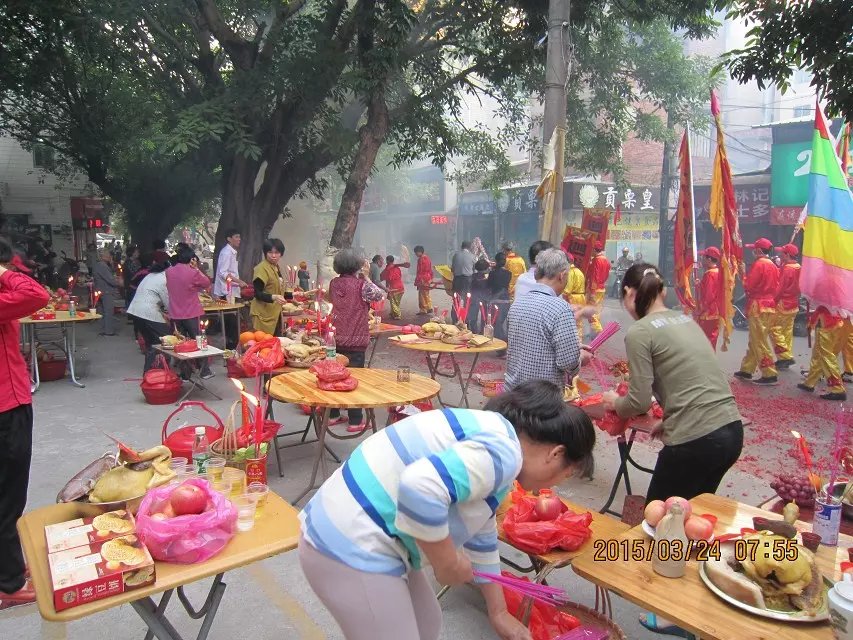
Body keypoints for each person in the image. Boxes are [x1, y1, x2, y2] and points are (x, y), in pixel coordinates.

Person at [299, 381, 596, 640]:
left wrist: (499, 611)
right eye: (566, 474)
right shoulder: (505, 455)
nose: (555, 485)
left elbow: (481, 535)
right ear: (556, 453)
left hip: (358, 530)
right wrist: (447, 563)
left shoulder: (499, 439)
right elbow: (419, 487)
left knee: (427, 622)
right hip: (348, 541)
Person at [600, 263, 743, 637]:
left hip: (697, 440)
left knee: (660, 521)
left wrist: (611, 402)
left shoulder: (640, 331)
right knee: (690, 525)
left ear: (629, 294)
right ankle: (694, 605)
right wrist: (672, 417)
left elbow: (637, 400)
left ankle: (671, 613)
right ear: (662, 291)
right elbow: (695, 381)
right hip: (729, 431)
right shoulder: (685, 320)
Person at [0, 237, 50, 611]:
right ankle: (8, 583)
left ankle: (9, 566)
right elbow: (36, 295)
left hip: (10, 402)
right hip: (6, 407)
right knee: (8, 496)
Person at [505, 248, 589, 391]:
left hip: (513, 391)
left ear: (537, 274)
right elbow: (568, 363)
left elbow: (530, 342)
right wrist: (581, 357)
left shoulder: (517, 304)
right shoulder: (561, 308)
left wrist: (571, 347)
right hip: (542, 396)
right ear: (562, 275)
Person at [327, 249, 385, 432]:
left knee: (334, 377)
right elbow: (379, 295)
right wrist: (366, 277)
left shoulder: (334, 283)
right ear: (357, 266)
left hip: (336, 339)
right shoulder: (362, 286)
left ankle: (333, 415)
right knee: (353, 379)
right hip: (356, 339)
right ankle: (355, 421)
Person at [734, 237, 779, 384]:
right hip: (769, 306)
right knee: (756, 339)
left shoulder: (759, 264)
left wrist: (742, 274)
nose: (753, 252)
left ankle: (769, 373)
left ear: (759, 250)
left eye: (754, 249)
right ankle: (747, 369)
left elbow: (749, 286)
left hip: (758, 306)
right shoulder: (773, 265)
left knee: (758, 340)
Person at [166, 247, 214, 379]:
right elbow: (206, 283)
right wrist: (196, 268)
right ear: (191, 259)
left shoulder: (169, 271)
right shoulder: (193, 272)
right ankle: (204, 370)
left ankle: (185, 373)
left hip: (175, 313)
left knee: (180, 344)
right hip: (192, 313)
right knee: (199, 342)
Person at [126, 256, 171, 372]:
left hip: (136, 312)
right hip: (148, 313)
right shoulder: (163, 279)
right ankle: (163, 372)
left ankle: (149, 372)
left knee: (151, 343)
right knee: (166, 340)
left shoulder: (150, 276)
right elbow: (167, 302)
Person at [798, 309, 851, 401]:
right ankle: (810, 382)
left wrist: (811, 323)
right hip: (835, 324)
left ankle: (837, 389)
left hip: (827, 327)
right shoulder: (837, 303)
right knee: (819, 355)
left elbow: (821, 309)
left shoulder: (826, 302)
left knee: (826, 357)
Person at [769, 244, 801, 369]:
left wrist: (773, 302)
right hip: (794, 303)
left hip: (783, 304)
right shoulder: (798, 267)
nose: (780, 254)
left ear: (787, 255)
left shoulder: (787, 269)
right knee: (786, 332)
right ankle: (784, 359)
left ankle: (786, 356)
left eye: (782, 253)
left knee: (773, 329)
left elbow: (780, 288)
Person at [250, 239, 289, 335]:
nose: (273, 255)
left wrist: (297, 294)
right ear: (265, 253)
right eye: (270, 252)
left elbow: (278, 291)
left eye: (277, 252)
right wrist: (274, 297)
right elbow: (257, 293)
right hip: (263, 315)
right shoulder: (261, 268)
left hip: (275, 313)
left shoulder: (276, 267)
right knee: (264, 342)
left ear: (281, 254)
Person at [694, 247, 723, 351]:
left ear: (709, 259)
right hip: (716, 310)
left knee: (706, 338)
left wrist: (701, 309)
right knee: (712, 337)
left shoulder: (710, 274)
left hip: (708, 311)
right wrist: (700, 285)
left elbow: (709, 295)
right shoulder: (718, 272)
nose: (702, 259)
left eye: (704, 257)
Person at [93, 249, 122, 336]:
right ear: (103, 256)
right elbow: (110, 280)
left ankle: (104, 329)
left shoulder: (99, 265)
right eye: (109, 255)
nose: (110, 257)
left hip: (100, 290)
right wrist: (119, 282)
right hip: (106, 291)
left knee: (102, 311)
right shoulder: (102, 266)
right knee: (108, 311)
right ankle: (109, 331)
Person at [213, 229, 246, 301]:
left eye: (239, 237)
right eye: (236, 237)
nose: (239, 239)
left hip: (230, 290)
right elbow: (223, 273)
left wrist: (237, 282)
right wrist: (238, 281)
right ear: (229, 239)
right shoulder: (226, 253)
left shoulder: (231, 252)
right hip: (225, 291)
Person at [487, 253, 512, 348]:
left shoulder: (492, 273)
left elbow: (489, 286)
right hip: (506, 300)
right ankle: (505, 343)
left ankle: (501, 346)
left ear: (496, 261)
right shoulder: (509, 273)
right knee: (503, 323)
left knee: (496, 323)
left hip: (495, 300)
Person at [586, 242, 611, 336]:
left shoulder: (596, 260)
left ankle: (598, 331)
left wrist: (592, 291)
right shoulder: (606, 260)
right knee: (597, 311)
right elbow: (606, 275)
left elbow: (594, 277)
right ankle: (594, 332)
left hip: (595, 289)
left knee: (591, 311)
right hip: (601, 288)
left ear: (594, 249)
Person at [562, 252, 587, 341]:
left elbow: (567, 291)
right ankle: (579, 340)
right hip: (581, 297)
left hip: (573, 298)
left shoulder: (570, 272)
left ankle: (573, 341)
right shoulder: (579, 271)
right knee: (579, 321)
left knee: (571, 321)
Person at [380, 255, 409, 320]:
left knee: (393, 302)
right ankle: (393, 313)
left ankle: (397, 314)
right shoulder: (397, 268)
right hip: (401, 287)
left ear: (387, 261)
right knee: (396, 302)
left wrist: (387, 288)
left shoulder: (388, 269)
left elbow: (387, 278)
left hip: (394, 288)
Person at [468, 258, 490, 334]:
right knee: (484, 316)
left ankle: (473, 331)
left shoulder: (473, 276)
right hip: (485, 298)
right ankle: (483, 331)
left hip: (474, 298)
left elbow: (470, 287)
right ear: (486, 267)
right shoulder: (488, 277)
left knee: (473, 316)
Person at [414, 245, 434, 315]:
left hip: (423, 278)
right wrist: (431, 278)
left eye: (416, 252)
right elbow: (430, 269)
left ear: (419, 252)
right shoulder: (427, 258)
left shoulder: (421, 259)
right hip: (427, 277)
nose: (415, 254)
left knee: (422, 294)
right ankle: (429, 307)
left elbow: (420, 270)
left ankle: (423, 309)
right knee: (426, 293)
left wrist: (419, 280)